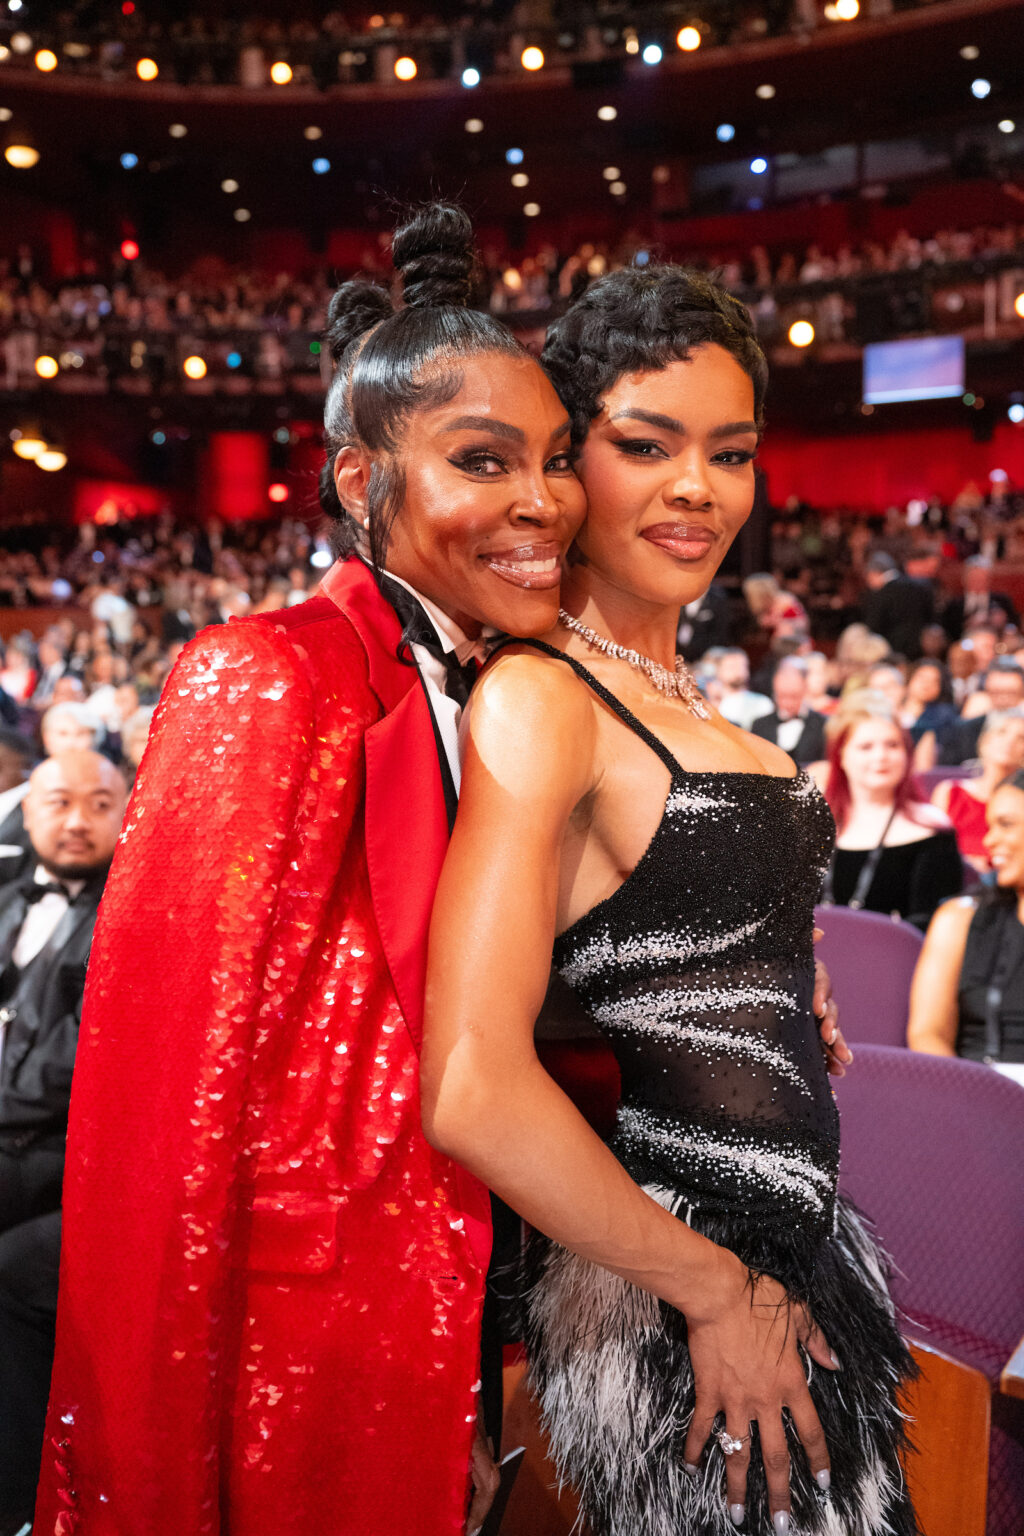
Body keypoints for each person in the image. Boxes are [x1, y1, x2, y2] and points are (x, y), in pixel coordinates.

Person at [34, 204, 587, 1536]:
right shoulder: (262, 677)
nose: (542, 500)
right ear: (359, 481)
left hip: (470, 1325)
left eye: (558, 460)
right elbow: (157, 1121)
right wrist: (144, 1479)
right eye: (482, 458)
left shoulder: (524, 691)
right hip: (292, 1348)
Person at [423, 263, 912, 1536]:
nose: (698, 487)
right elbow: (470, 1083)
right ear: (569, 463)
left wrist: (762, 966)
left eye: (731, 452)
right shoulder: (541, 700)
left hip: (798, 1257)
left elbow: (659, 926)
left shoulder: (695, 703)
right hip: (684, 1296)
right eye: (647, 445)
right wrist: (707, 1294)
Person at [0, 749, 127, 1530]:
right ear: (27, 808)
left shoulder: (132, 913)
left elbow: (71, 1070)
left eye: (99, 803)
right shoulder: (8, 899)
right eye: (59, 802)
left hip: (55, 1157)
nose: (77, 821)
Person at [907, 769, 1024, 1084]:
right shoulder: (958, 918)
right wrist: (975, 1099)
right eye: (989, 826)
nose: (988, 840)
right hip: (975, 1092)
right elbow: (927, 1034)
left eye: (1006, 825)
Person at [821, 691, 962, 928]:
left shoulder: (932, 829)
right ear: (841, 756)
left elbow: (935, 929)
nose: (881, 756)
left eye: (893, 745)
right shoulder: (811, 830)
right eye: (865, 747)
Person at [930, 710, 1024, 872]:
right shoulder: (950, 791)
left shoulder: (1020, 803)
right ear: (985, 741)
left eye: (1021, 738)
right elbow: (933, 852)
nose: (1009, 742)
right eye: (1002, 732)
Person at [940, 658, 1024, 765]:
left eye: (1011, 693)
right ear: (987, 690)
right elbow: (947, 771)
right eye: (997, 692)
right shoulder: (965, 730)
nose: (1004, 698)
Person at [750, 656, 827, 766]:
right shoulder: (759, 726)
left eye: (794, 696)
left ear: (805, 688)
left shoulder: (823, 725)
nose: (787, 703)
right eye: (781, 696)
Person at [857, 551, 933, 660]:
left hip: (892, 653)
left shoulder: (880, 594)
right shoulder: (920, 586)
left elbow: (873, 626)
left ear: (874, 573)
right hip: (920, 650)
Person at [715, 647, 773, 730]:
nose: (737, 671)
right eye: (732, 667)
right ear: (719, 670)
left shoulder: (761, 703)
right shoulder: (708, 702)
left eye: (742, 666)